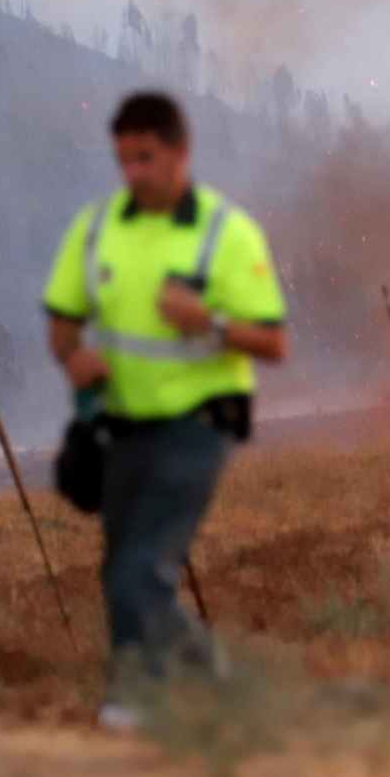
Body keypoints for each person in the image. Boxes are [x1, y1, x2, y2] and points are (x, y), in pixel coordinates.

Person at [41, 91, 287, 730]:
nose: (134, 173)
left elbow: (272, 340)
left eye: (146, 158)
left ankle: (133, 703)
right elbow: (63, 319)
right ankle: (222, 684)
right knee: (124, 569)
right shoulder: (98, 229)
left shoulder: (225, 235)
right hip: (122, 428)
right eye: (124, 159)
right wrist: (73, 359)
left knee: (135, 572)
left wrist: (210, 321)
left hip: (198, 427)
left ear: (180, 152)